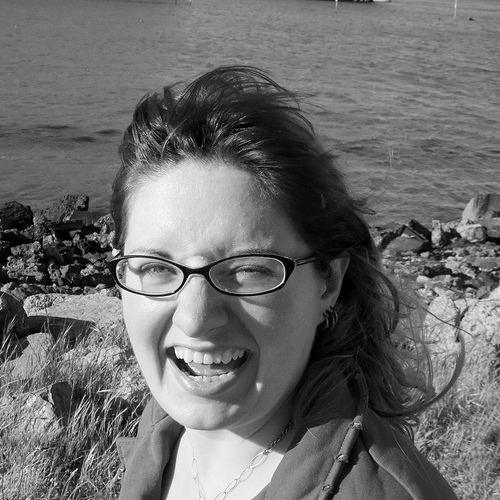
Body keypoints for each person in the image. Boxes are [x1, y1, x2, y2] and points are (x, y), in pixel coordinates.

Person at [109, 66, 459, 499]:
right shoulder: (164, 426)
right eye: (156, 267)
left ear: (328, 282)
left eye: (249, 269)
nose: (195, 320)